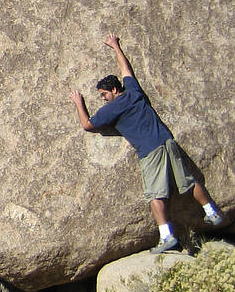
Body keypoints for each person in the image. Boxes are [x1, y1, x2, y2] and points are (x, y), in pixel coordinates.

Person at [69, 33, 225, 253]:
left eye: (104, 94)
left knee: (155, 195)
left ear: (114, 90)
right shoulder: (134, 92)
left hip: (150, 151)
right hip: (167, 141)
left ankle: (166, 236)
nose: (103, 98)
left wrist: (79, 103)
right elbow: (126, 70)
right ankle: (212, 212)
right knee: (188, 182)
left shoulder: (112, 109)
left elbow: (87, 124)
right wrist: (115, 46)